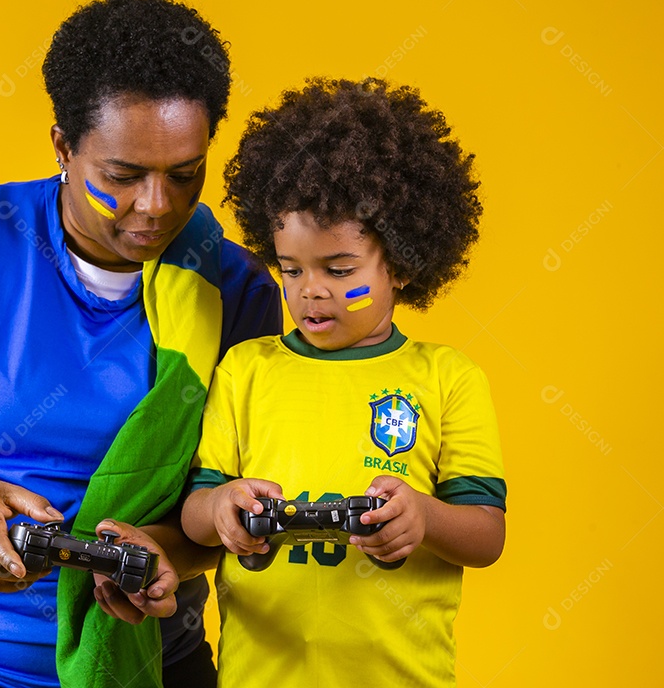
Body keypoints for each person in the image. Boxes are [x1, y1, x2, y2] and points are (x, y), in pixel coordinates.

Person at [0, 0, 282, 688]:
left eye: (185, 175)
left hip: (146, 656)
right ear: (64, 147)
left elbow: (223, 505)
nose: (157, 206)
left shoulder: (234, 289)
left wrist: (158, 554)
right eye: (122, 177)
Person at [180, 77, 507, 688]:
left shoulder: (446, 377)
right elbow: (197, 512)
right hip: (258, 674)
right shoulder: (246, 369)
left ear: (402, 265)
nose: (311, 291)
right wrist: (222, 507)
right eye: (291, 269)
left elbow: (486, 534)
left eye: (339, 270)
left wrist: (424, 519)